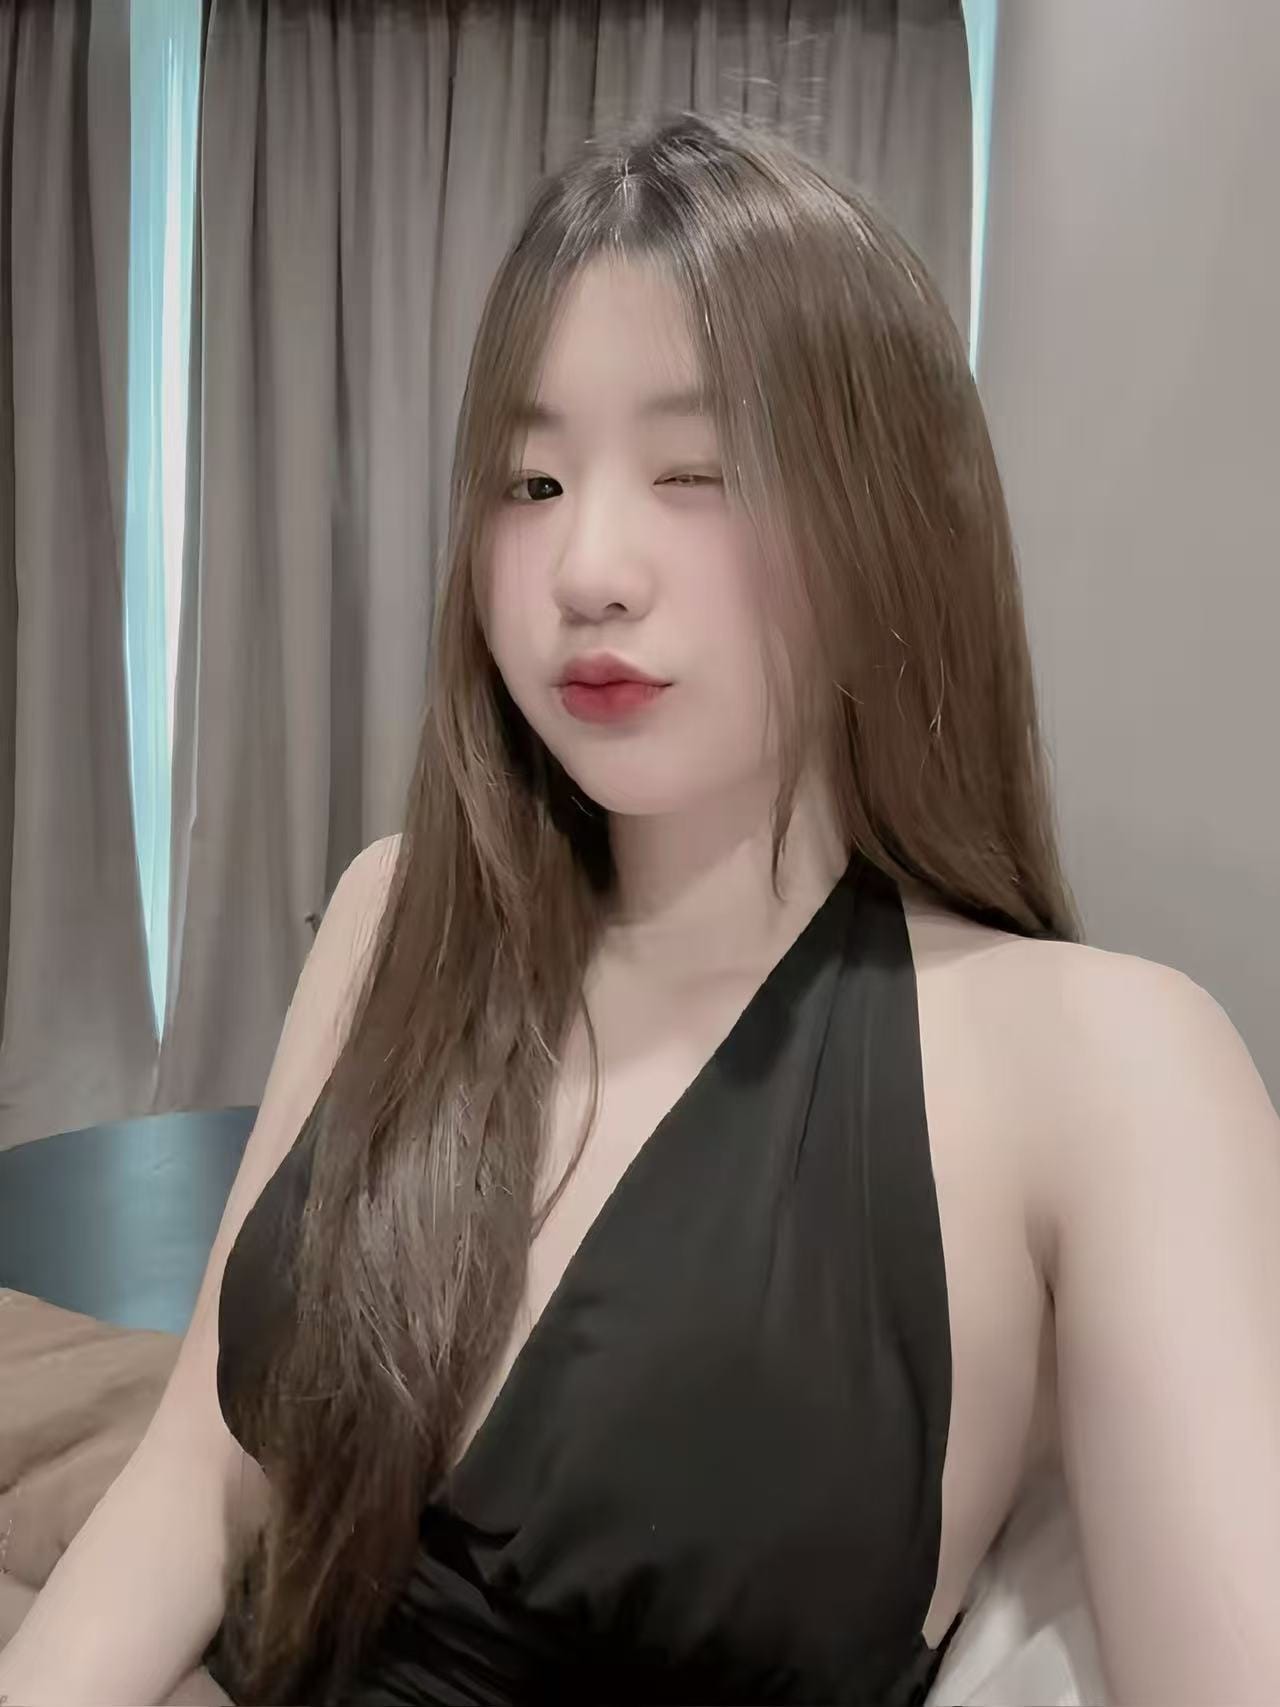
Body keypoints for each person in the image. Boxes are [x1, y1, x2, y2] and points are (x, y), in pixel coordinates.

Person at [2, 109, 1278, 1707]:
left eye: (699, 472)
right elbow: (204, 1474)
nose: (587, 568)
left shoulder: (1106, 1067)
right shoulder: (400, 914)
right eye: (530, 481)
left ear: (896, 515)